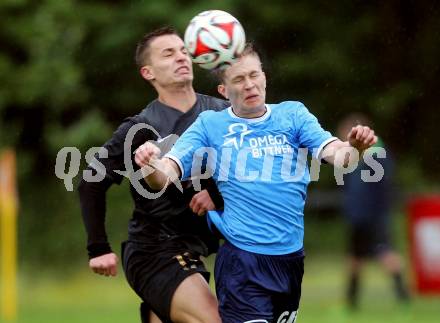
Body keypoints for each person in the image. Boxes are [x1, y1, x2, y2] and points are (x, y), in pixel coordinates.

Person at [134, 43, 378, 322]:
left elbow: (340, 157)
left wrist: (355, 147)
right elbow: (164, 176)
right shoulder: (209, 125)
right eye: (238, 79)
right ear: (223, 91)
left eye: (254, 75)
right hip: (243, 263)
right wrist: (150, 164)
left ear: (264, 77)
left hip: (290, 259)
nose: (249, 84)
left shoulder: (293, 115)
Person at [78, 26, 229, 323]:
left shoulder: (223, 113)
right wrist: (98, 248)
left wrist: (217, 195)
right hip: (155, 250)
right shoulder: (140, 128)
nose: (181, 58)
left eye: (184, 51)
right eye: (168, 54)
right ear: (148, 73)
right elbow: (90, 181)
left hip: (200, 249)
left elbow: (252, 169)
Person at [337, 114, 410, 310]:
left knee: (386, 254)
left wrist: (376, 212)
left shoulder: (376, 153)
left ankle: (403, 296)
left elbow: (382, 187)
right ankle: (351, 304)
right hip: (359, 216)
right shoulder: (357, 155)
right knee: (355, 259)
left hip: (372, 216)